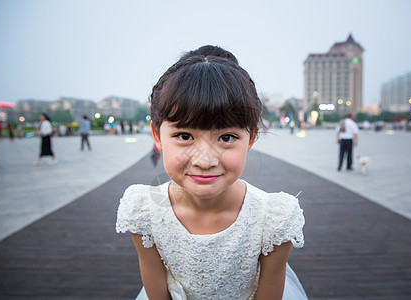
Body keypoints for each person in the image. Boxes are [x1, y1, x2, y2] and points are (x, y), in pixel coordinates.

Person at [116, 46, 307, 299]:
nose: (205, 161)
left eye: (226, 137)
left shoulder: (274, 219)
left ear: (251, 139)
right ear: (157, 136)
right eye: (184, 136)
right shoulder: (143, 212)